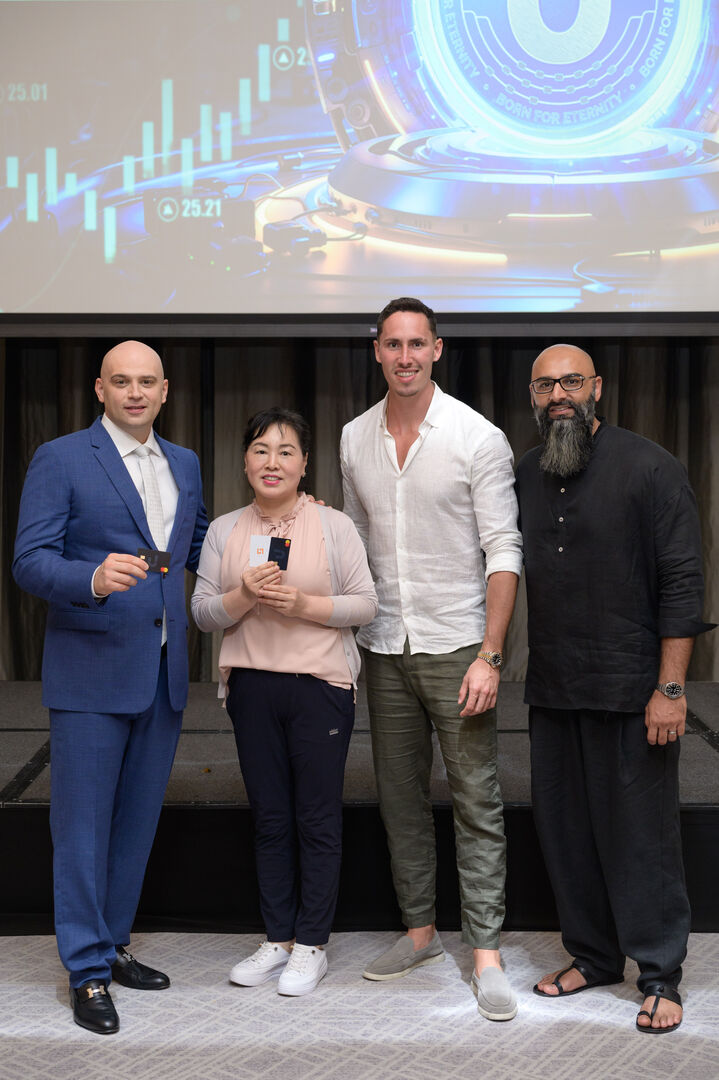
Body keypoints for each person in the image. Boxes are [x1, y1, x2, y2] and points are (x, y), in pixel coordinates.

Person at [516, 343, 714, 1034]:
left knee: (642, 840)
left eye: (571, 381)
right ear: (532, 396)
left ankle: (659, 975)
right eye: (545, 385)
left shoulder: (650, 467)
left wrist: (670, 688)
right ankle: (594, 958)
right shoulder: (525, 472)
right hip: (553, 688)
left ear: (596, 387)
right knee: (565, 835)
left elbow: (683, 582)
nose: (558, 395)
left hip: (635, 691)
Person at [12, 341, 208, 1034]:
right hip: (90, 671)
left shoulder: (185, 462)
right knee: (82, 830)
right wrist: (90, 579)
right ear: (100, 389)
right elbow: (29, 560)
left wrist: (284, 520)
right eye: (121, 381)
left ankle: (113, 942)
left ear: (165, 391)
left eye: (146, 382)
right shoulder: (61, 458)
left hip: (162, 671)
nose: (134, 392)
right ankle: (86, 970)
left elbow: (198, 545)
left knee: (133, 826)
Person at [340, 298, 523, 1021]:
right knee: (399, 800)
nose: (405, 356)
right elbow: (354, 543)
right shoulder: (354, 437)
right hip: (384, 646)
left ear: (437, 350)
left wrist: (491, 656)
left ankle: (486, 955)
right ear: (377, 351)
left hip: (459, 648)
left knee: (476, 800)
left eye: (418, 343)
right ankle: (419, 934)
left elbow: (504, 550)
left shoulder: (477, 437)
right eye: (393, 344)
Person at [191, 407, 377, 997]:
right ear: (246, 461)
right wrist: (241, 596)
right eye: (261, 450)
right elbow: (203, 613)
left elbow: (366, 603)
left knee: (316, 817)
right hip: (251, 687)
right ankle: (278, 938)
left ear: (304, 464)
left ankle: (312, 944)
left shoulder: (333, 525)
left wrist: (306, 607)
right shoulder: (224, 530)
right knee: (270, 818)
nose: (273, 462)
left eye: (286, 451)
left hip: (321, 687)